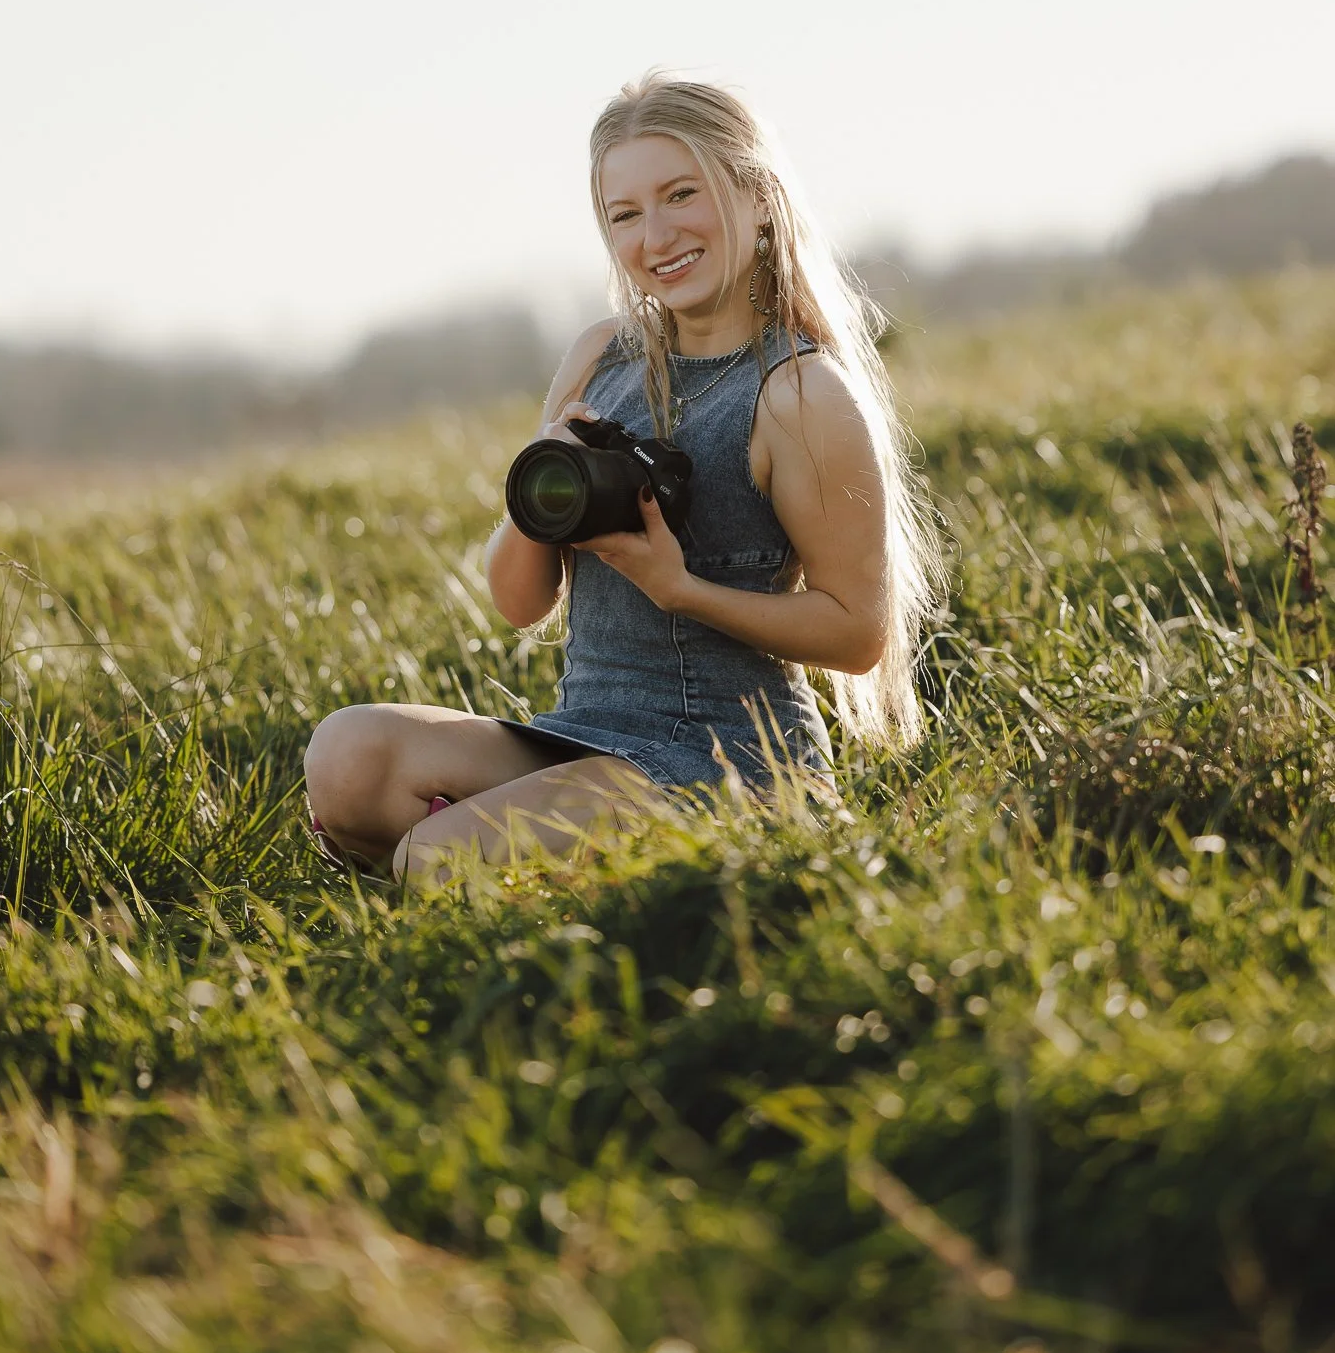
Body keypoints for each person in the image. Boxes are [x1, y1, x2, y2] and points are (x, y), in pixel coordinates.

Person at [303, 70, 943, 884]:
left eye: (682, 194)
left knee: (437, 857)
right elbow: (517, 602)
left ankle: (469, 873)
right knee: (346, 756)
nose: (657, 235)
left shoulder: (798, 392)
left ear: (756, 198)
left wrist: (683, 591)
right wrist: (545, 467)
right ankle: (501, 870)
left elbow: (857, 635)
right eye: (626, 214)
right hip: (586, 730)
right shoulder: (600, 357)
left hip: (737, 762)